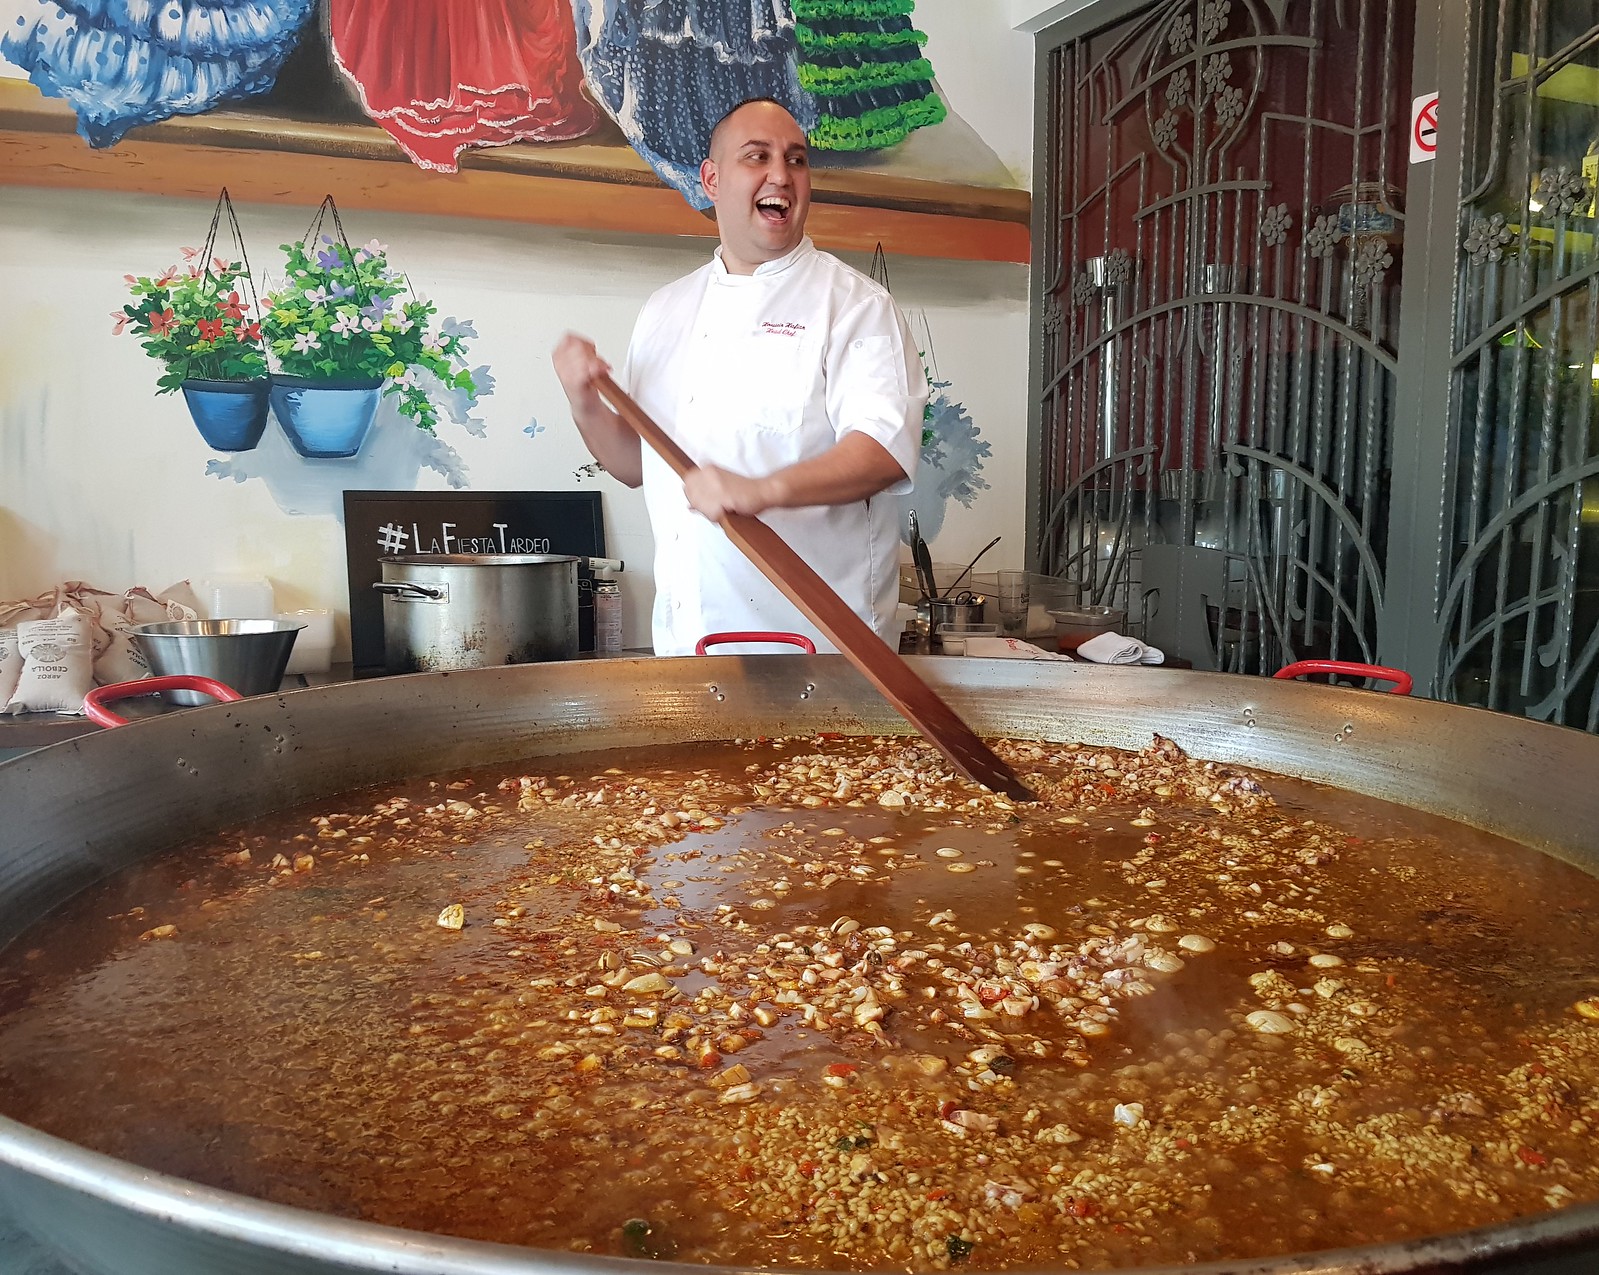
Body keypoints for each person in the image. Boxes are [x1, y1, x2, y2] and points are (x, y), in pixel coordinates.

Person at [552, 97, 928, 656]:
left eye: (796, 160)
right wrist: (583, 402)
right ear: (712, 179)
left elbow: (884, 451)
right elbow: (638, 464)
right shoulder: (665, 310)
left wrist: (760, 490)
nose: (782, 175)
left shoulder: (856, 306)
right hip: (686, 653)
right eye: (758, 156)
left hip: (820, 656)